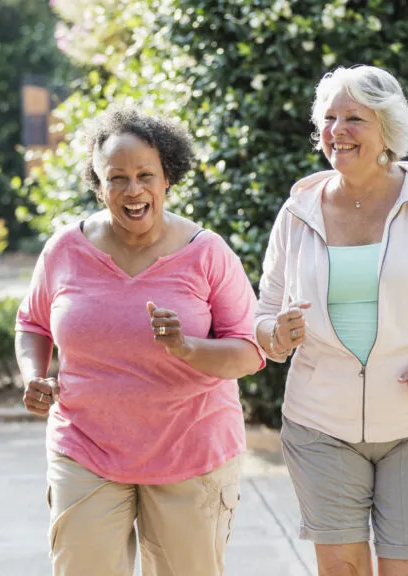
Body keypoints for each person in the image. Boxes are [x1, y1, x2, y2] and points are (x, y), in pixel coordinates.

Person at [254, 65, 408, 576]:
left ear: (387, 130)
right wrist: (275, 334)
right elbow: (263, 313)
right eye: (330, 118)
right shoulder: (297, 212)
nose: (338, 130)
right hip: (320, 421)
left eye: (354, 118)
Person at [15, 104, 264, 576]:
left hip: (192, 452)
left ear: (167, 178)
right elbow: (32, 323)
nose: (133, 190)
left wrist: (187, 348)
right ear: (98, 183)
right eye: (117, 178)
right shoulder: (65, 249)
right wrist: (34, 375)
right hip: (84, 447)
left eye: (145, 175)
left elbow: (250, 352)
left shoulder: (206, 253)